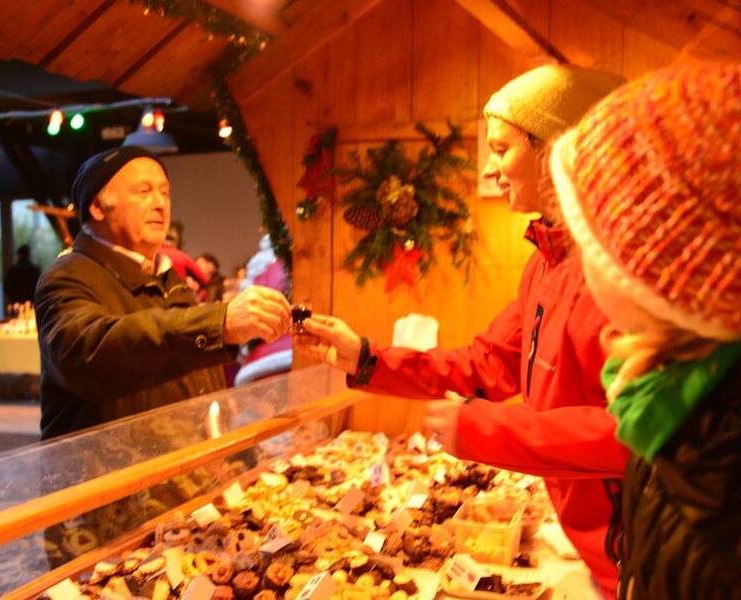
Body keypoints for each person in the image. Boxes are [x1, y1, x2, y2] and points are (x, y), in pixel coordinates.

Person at [295, 64, 628, 597]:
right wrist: (366, 358)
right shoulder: (543, 264)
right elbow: (487, 364)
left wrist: (487, 429)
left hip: (643, 549)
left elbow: (631, 432)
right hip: (598, 550)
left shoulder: (618, 271)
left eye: (501, 149)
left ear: (555, 150)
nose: (491, 167)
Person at [549, 63, 741, 600]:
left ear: (650, 276)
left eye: (586, 239)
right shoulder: (674, 401)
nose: (577, 257)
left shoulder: (713, 513)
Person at [34, 146, 291, 440]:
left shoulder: (168, 277)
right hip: (109, 467)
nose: (160, 204)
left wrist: (231, 453)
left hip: (181, 463)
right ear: (97, 207)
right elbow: (88, 354)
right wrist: (217, 324)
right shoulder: (67, 277)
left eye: (165, 193)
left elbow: (196, 376)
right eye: (143, 192)